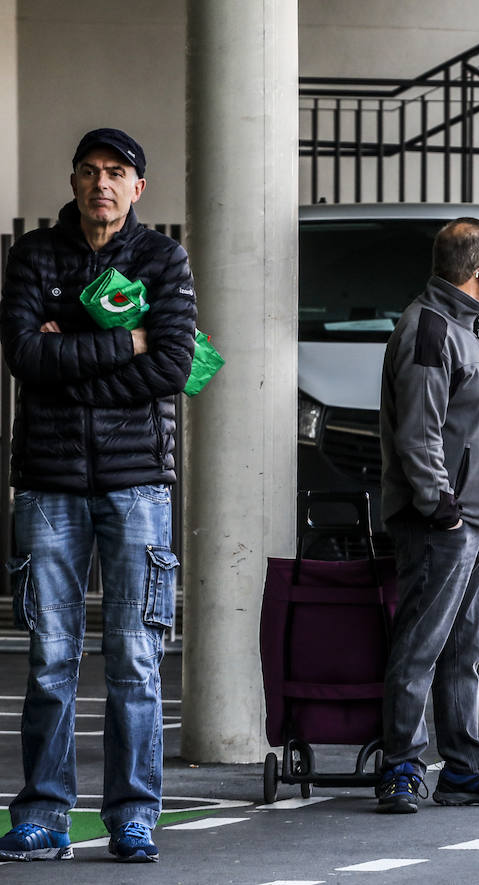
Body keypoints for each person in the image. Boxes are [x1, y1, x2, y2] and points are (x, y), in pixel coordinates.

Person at [0, 128, 196, 863]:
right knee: (50, 656)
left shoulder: (162, 259)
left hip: (137, 483)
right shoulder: (34, 255)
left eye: (116, 173)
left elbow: (174, 362)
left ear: (138, 187)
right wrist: (126, 340)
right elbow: (24, 355)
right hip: (48, 484)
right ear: (74, 181)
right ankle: (45, 815)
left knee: (135, 659)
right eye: (89, 172)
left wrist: (71, 347)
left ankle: (133, 814)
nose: (101, 185)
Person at [375, 218, 479, 813]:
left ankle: (464, 768)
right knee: (420, 644)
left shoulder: (456, 328)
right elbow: (420, 435)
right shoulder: (431, 330)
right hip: (443, 522)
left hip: (470, 518)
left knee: (461, 648)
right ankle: (401, 767)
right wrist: (441, 510)